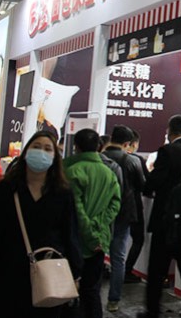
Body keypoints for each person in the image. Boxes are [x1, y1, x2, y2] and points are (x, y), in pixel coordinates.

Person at [0, 131, 82, 317]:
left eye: (48, 149)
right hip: (5, 275)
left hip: (48, 278)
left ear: (55, 157)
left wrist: (75, 274)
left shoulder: (62, 193)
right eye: (36, 147)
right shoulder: (7, 189)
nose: (41, 152)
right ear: (26, 152)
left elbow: (71, 234)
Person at [140, 115, 181, 318]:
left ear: (169, 130)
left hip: (164, 220)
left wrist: (148, 186)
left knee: (157, 269)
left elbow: (154, 181)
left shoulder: (167, 151)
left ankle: (152, 311)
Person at [64, 128, 121, 318]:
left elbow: (76, 209)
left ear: (76, 147)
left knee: (69, 291)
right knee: (92, 291)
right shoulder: (108, 173)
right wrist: (99, 226)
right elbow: (115, 204)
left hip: (73, 241)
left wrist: (89, 233)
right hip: (99, 241)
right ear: (99, 146)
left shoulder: (71, 171)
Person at [103, 125, 146, 312]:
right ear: (128, 143)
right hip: (124, 212)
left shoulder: (99, 158)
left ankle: (88, 294)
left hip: (101, 212)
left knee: (95, 253)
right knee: (118, 258)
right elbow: (143, 185)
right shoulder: (132, 161)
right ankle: (113, 300)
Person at [125, 128, 149, 283]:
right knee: (138, 239)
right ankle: (127, 270)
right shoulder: (136, 160)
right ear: (134, 144)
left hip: (115, 206)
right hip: (133, 205)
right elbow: (145, 184)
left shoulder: (107, 157)